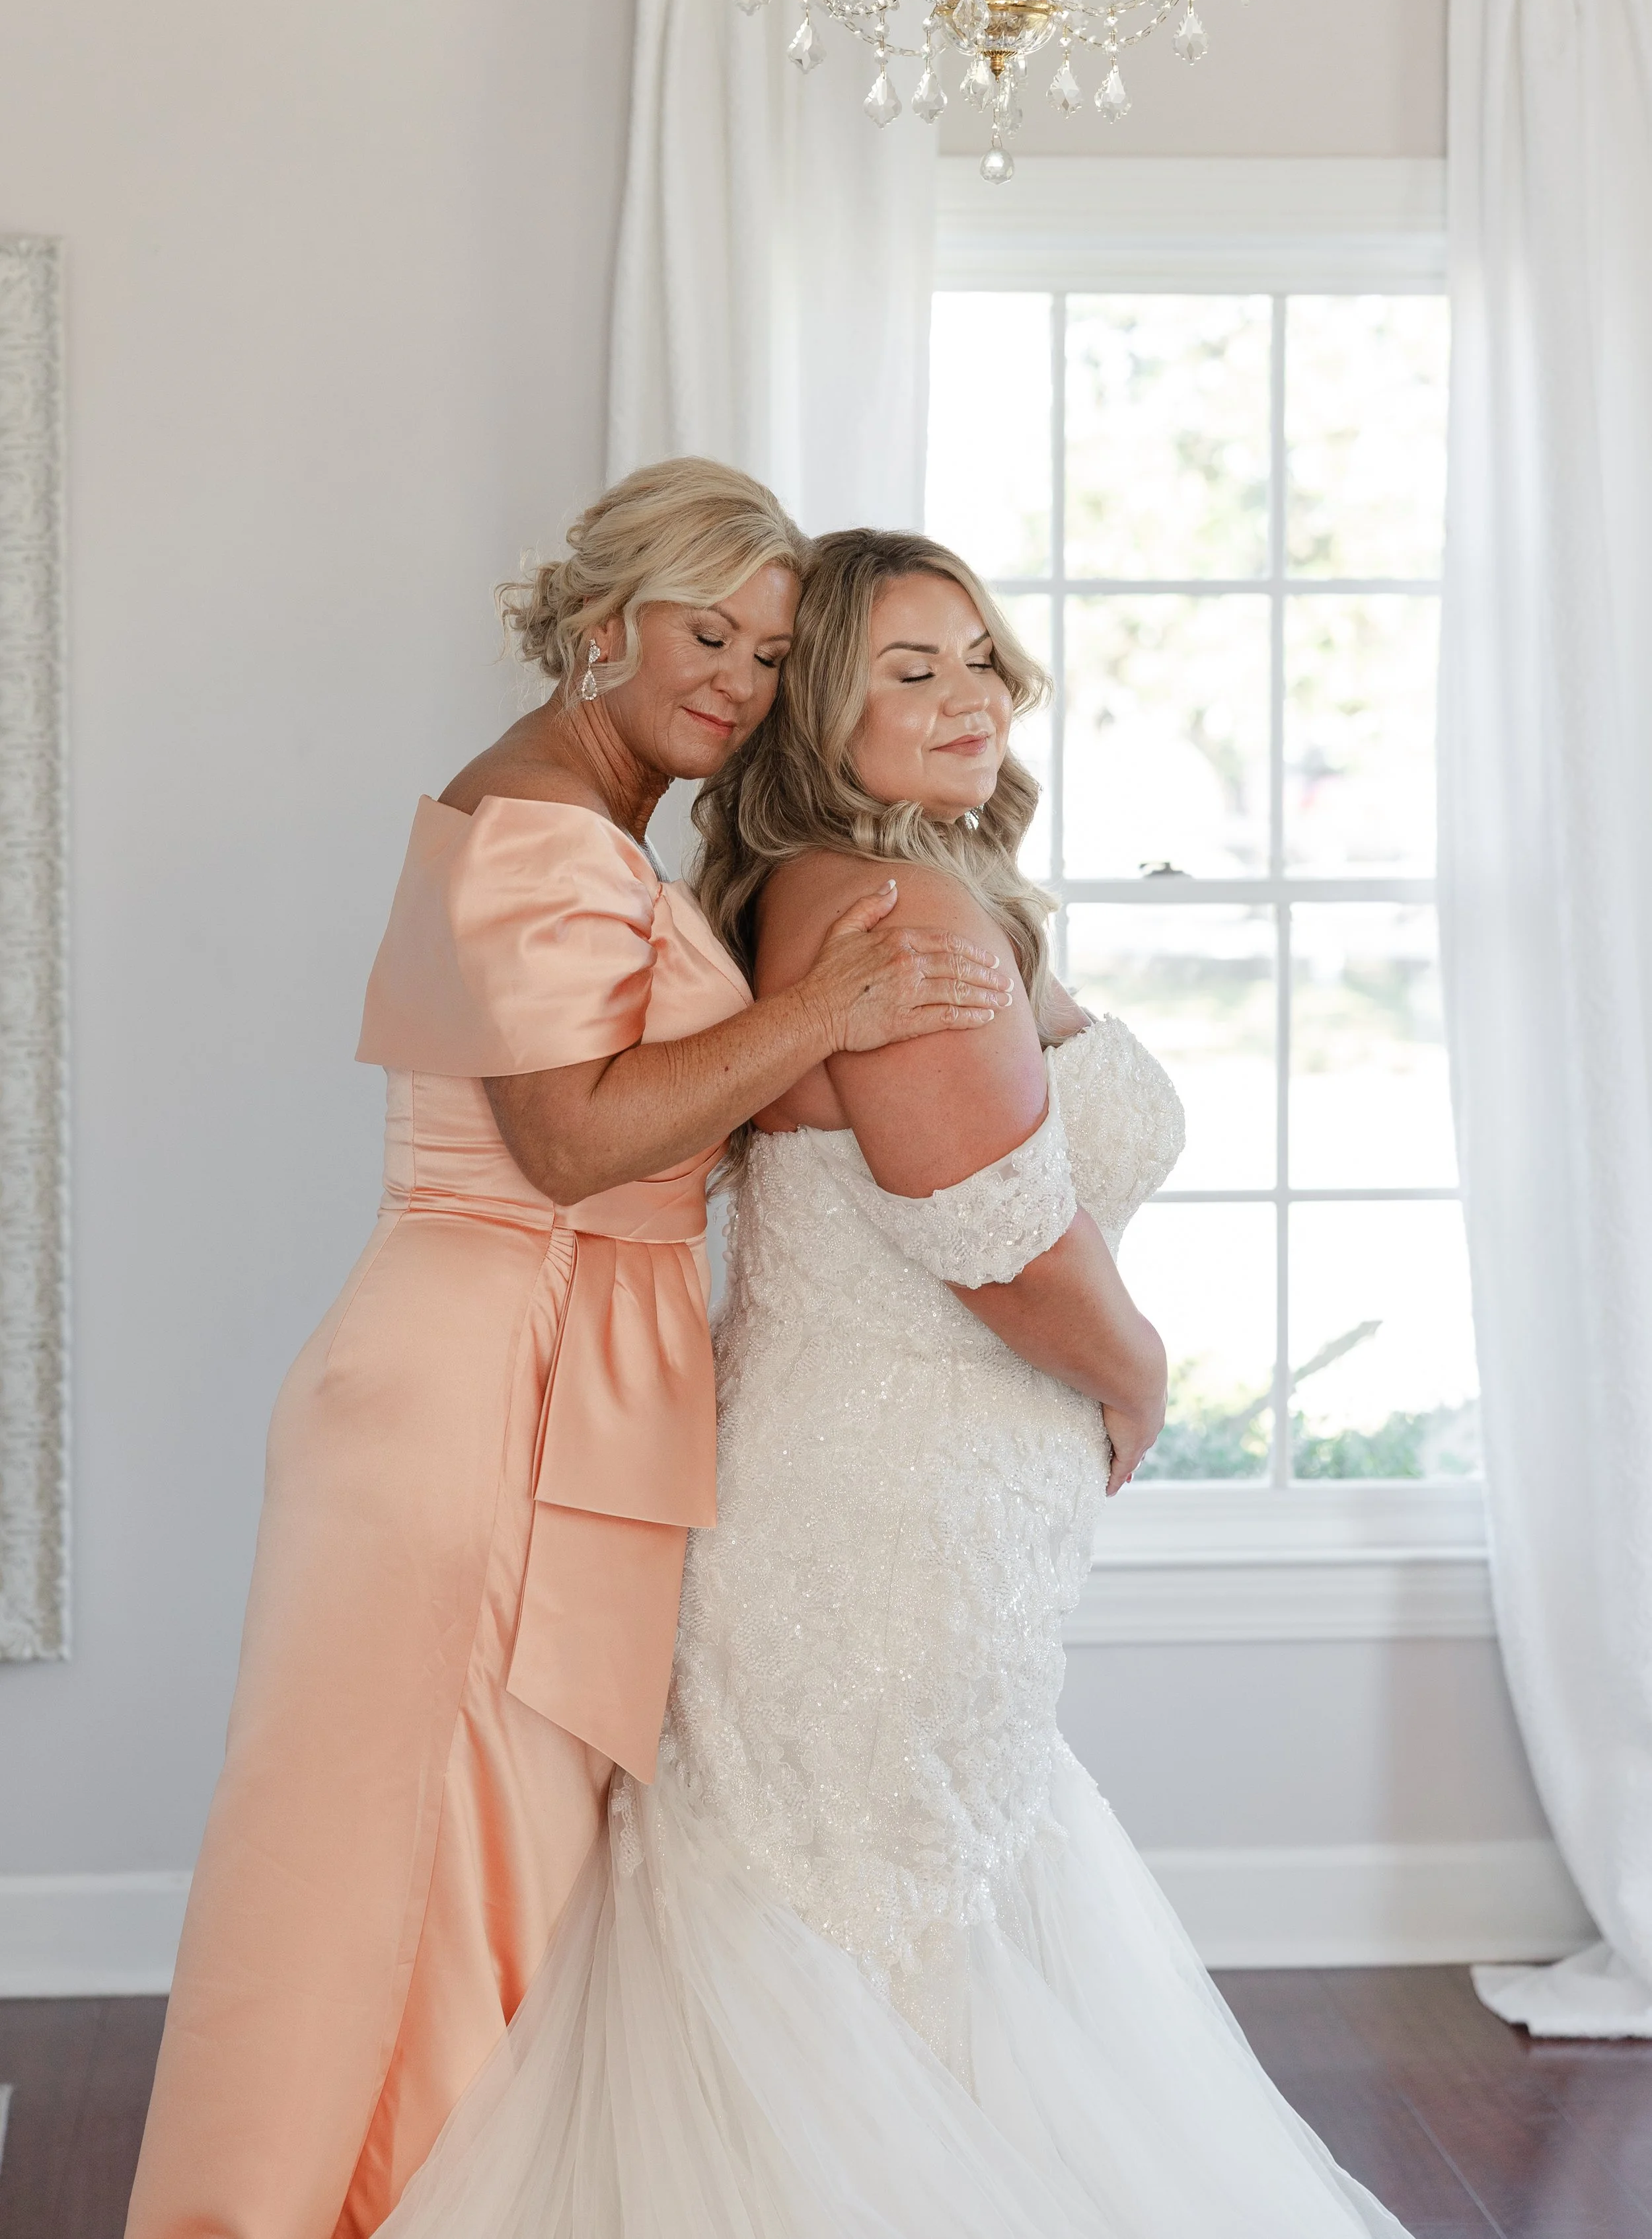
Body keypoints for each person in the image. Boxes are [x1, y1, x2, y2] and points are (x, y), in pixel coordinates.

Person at [362, 524, 1417, 2237]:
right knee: (860, 1928)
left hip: (936, 1511)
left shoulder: (924, 884)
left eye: (979, 657)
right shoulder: (884, 904)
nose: (968, 697)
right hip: (875, 1527)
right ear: (823, 717)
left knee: (917, 1909)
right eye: (907, 672)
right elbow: (993, 1234)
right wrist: (1142, 1375)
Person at [125, 471, 1010, 2239]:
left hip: (527, 1355)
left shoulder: (582, 817)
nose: (741, 684)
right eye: (706, 634)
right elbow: (573, 1140)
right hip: (484, 1375)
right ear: (604, 621)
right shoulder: (538, 824)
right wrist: (826, 1009)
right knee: (419, 1861)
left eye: (775, 654)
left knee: (454, 1851)